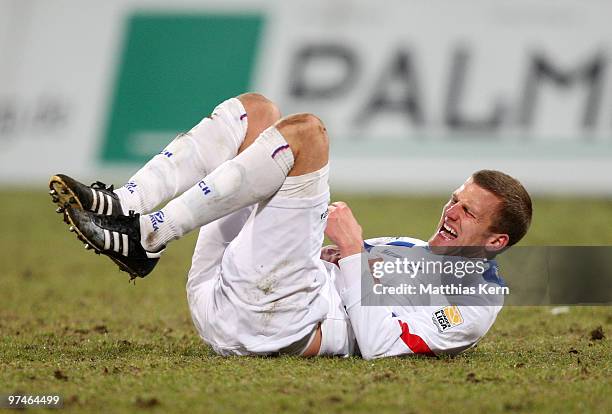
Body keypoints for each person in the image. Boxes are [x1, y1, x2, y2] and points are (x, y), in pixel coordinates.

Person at [49, 93, 532, 359]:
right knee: (258, 112)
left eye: (468, 212)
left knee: (307, 135)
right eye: (454, 199)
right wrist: (341, 254)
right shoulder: (410, 247)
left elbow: (384, 345)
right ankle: (125, 202)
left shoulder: (474, 301)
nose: (450, 211)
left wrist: (351, 255)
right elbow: (340, 263)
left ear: (496, 241)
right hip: (233, 291)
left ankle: (150, 236)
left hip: (276, 323)